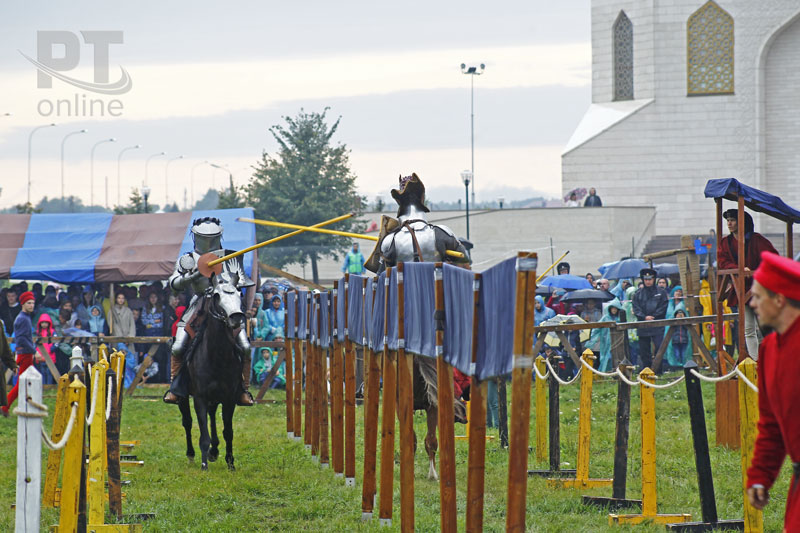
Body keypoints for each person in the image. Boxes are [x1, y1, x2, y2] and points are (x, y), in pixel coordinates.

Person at [165, 217, 255, 406]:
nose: (208, 242)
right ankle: (176, 389)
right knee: (178, 346)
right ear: (195, 237)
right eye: (204, 238)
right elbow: (173, 284)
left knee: (245, 346)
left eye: (212, 238)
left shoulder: (230, 257)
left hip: (224, 302)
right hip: (199, 303)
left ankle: (243, 390)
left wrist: (228, 279)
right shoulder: (187, 259)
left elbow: (242, 281)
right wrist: (194, 275)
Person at [745, 252, 800, 530]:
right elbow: (771, 423)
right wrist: (760, 476)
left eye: (758, 296)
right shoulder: (767, 350)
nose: (752, 303)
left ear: (779, 299)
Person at [717, 209, 778, 360]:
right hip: (741, 291)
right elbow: (722, 261)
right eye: (728, 220)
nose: (729, 223)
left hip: (759, 291)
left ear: (742, 222)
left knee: (767, 329)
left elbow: (771, 258)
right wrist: (738, 269)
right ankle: (756, 362)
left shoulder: (757, 240)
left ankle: (773, 359)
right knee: (748, 330)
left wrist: (757, 272)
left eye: (733, 220)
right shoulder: (726, 242)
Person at [2, 291, 36, 416]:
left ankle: (26, 404)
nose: (32, 305)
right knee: (22, 383)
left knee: (26, 382)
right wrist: (34, 351)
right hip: (25, 353)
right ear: (23, 304)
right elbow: (21, 339)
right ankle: (5, 406)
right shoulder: (23, 318)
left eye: (33, 303)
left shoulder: (25, 317)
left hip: (24, 353)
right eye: (29, 303)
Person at [632, 268, 669, 372]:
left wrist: (654, 316)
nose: (648, 281)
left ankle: (658, 370)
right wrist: (644, 317)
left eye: (650, 279)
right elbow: (636, 308)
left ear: (654, 279)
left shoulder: (661, 292)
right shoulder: (638, 293)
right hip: (643, 325)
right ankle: (647, 369)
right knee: (644, 351)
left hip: (657, 324)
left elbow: (663, 306)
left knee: (659, 348)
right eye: (646, 279)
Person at [585, 298, 624, 371]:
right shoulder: (605, 318)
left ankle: (616, 373)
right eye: (612, 308)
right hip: (606, 342)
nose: (614, 310)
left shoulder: (620, 318)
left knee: (617, 358)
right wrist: (590, 341)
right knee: (607, 358)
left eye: (615, 308)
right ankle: (605, 373)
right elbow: (597, 329)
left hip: (618, 341)